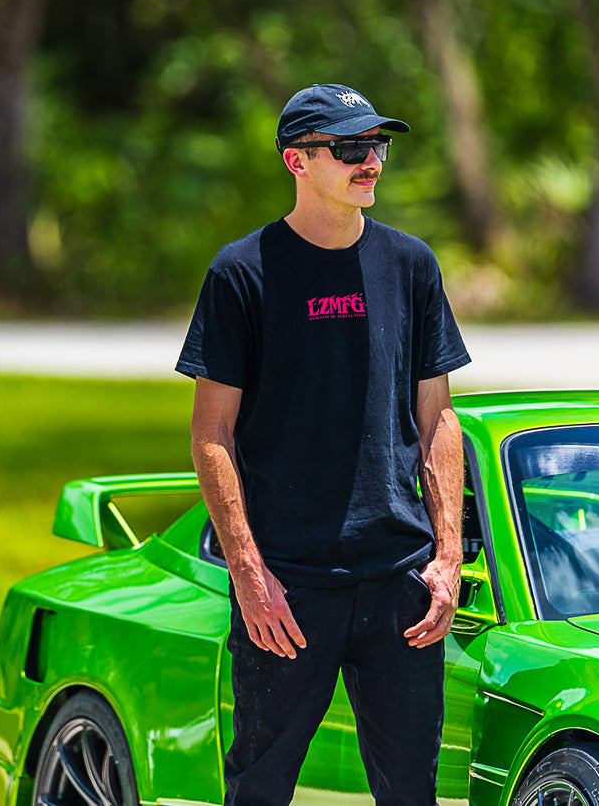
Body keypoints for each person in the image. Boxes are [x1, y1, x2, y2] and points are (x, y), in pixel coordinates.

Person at [176, 84, 471, 806]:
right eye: (349, 147)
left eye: (377, 145)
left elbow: (439, 418)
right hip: (288, 583)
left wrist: (446, 557)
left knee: (413, 792)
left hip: (399, 579)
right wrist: (248, 571)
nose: (371, 161)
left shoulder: (411, 264)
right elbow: (211, 434)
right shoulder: (242, 271)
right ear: (297, 161)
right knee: (260, 788)